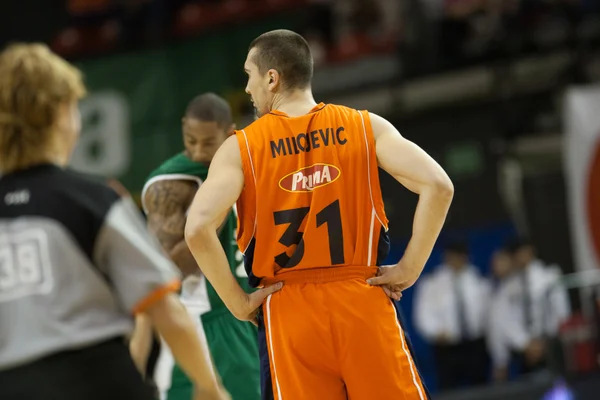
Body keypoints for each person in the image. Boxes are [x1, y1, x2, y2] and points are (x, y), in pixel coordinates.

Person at [185, 29, 453, 399]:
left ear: (272, 77)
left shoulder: (240, 148)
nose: (247, 88)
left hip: (288, 310)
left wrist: (238, 302)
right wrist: (409, 269)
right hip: (362, 299)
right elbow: (439, 186)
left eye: (249, 75)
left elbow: (197, 229)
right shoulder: (365, 126)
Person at [0, 43, 228, 400]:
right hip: (98, 379)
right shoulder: (94, 201)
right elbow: (164, 307)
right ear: (62, 114)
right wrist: (207, 386)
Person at [141, 93, 260, 400]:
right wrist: (209, 214)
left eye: (208, 143)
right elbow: (167, 270)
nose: (197, 151)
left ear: (230, 133)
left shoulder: (254, 163)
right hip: (208, 318)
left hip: (261, 311)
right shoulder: (170, 182)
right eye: (191, 139)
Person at [414, 241, 491, 390]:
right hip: (447, 347)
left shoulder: (477, 279)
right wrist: (436, 332)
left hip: (475, 344)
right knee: (450, 389)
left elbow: (487, 310)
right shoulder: (433, 282)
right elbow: (423, 313)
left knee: (481, 388)